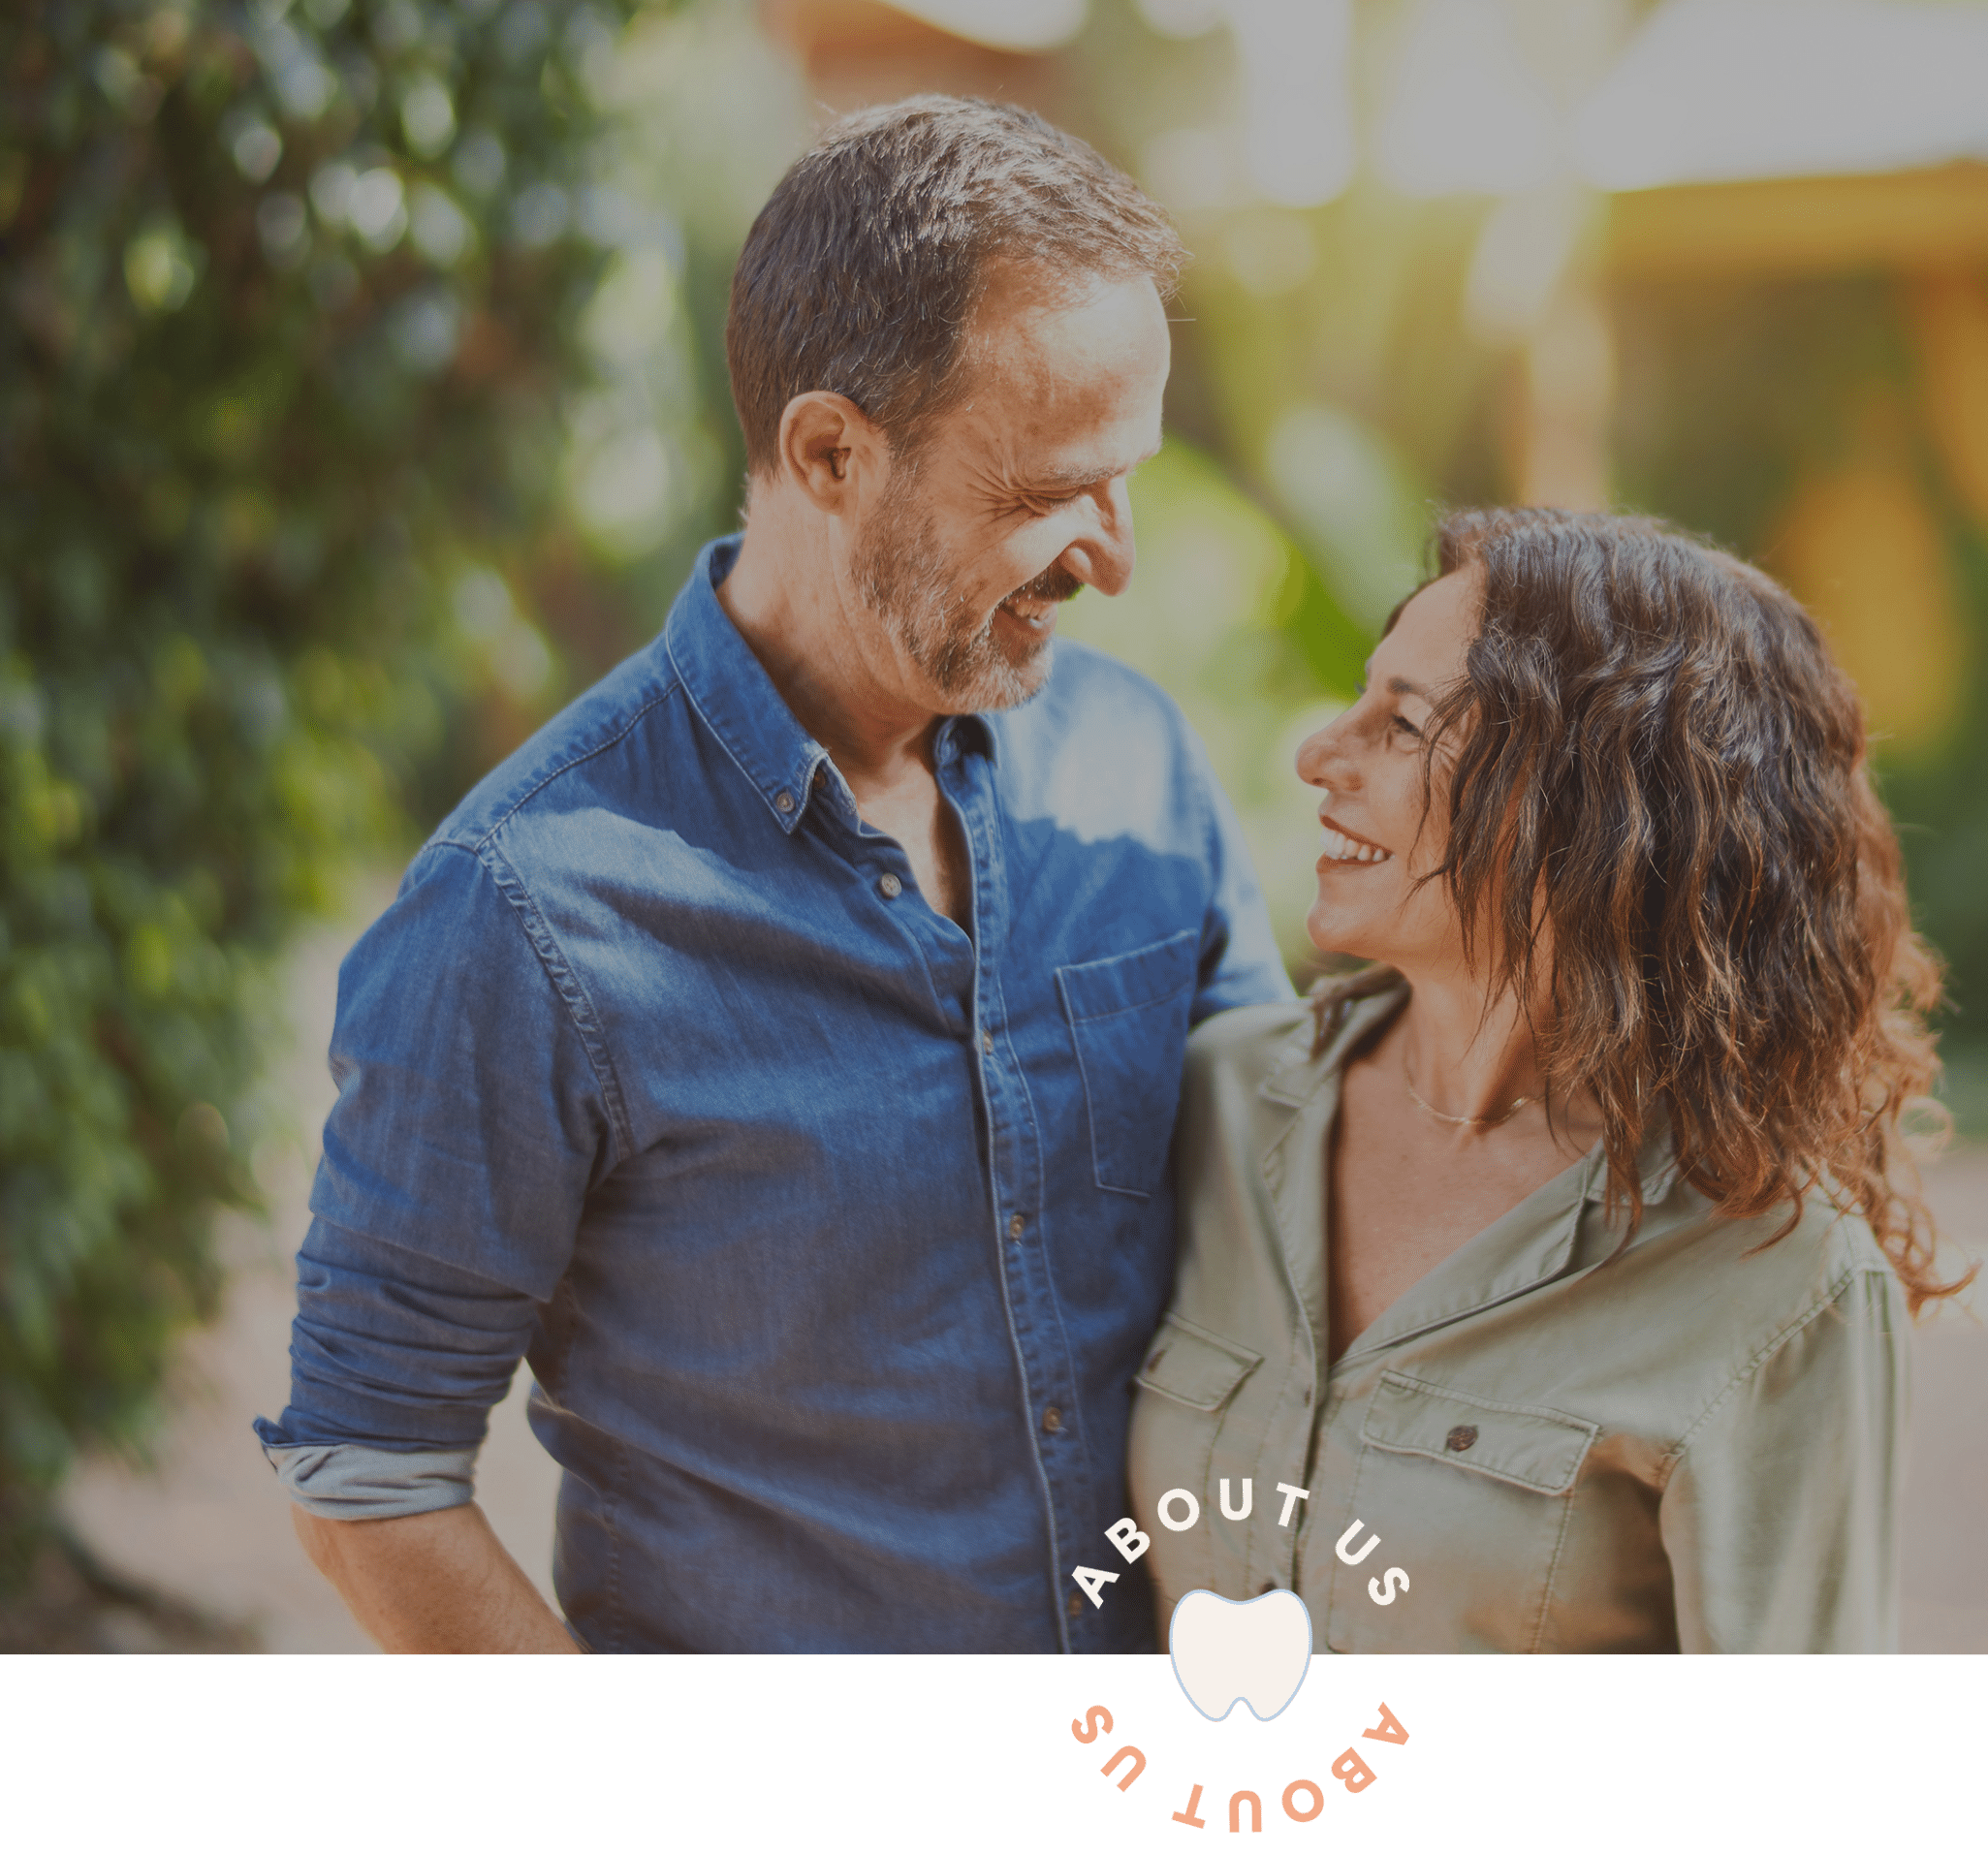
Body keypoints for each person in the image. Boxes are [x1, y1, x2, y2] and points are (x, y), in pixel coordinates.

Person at [254, 98, 1289, 1653]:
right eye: (1047, 491)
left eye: (1129, 474)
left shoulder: (1139, 764)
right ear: (830, 454)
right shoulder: (522, 911)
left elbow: (1292, 1173)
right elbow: (367, 1475)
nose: (1116, 556)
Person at [1127, 508, 1957, 1654]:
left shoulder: (1780, 1280)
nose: (1321, 754)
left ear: (1587, 803)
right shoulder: (1211, 1100)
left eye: (1405, 723)